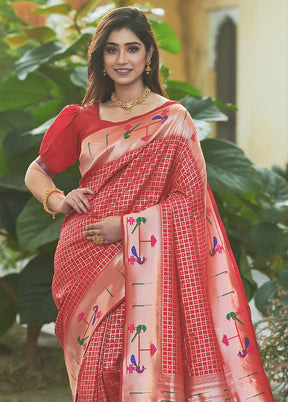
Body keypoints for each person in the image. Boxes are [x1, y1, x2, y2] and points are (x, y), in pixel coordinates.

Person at [25, 6, 274, 402]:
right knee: (99, 362)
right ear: (101, 59)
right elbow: (36, 170)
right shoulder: (81, 118)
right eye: (112, 50)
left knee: (125, 361)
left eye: (132, 48)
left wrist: (125, 228)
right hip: (85, 255)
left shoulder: (174, 120)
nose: (122, 59)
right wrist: (57, 198)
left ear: (148, 56)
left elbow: (190, 201)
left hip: (144, 259)